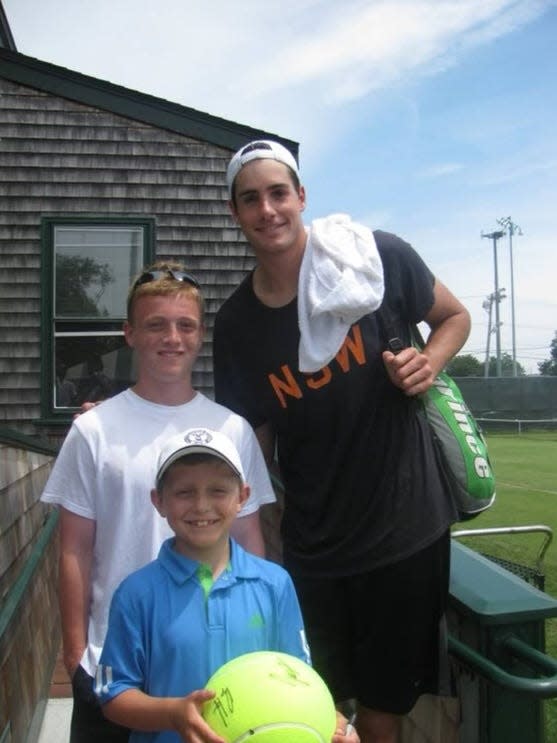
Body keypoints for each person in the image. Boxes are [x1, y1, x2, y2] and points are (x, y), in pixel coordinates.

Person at [213, 140, 472, 743]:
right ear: (236, 214)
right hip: (313, 543)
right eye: (250, 199)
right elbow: (251, 443)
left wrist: (428, 363)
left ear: (302, 197)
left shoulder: (374, 258)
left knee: (385, 700)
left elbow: (454, 317)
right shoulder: (238, 325)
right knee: (312, 698)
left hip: (405, 527)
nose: (268, 209)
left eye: (279, 193)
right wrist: (260, 540)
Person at [41, 262, 276, 743]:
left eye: (185, 325)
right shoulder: (93, 431)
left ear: (200, 334)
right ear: (129, 333)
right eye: (155, 325)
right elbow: (74, 550)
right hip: (116, 663)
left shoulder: (232, 430)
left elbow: (250, 543)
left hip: (211, 661)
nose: (172, 337)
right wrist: (75, 654)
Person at [95, 427, 358, 743]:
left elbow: (299, 681)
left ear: (243, 498)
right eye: (184, 492)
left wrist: (332, 721)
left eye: (218, 491)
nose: (202, 505)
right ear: (159, 501)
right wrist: (173, 714)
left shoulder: (274, 584)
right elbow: (114, 696)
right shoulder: (136, 594)